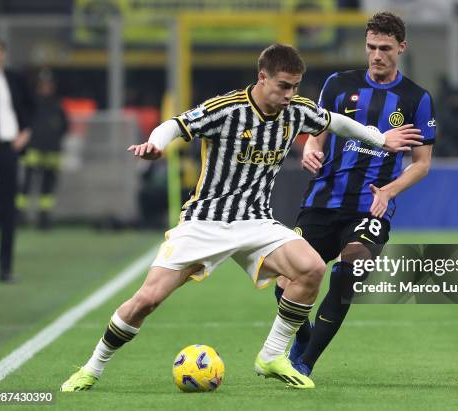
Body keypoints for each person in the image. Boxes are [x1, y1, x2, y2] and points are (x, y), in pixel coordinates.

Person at [60, 43, 424, 392]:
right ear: (262, 77)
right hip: (205, 222)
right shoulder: (227, 109)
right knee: (147, 300)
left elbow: (337, 123)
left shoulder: (296, 110)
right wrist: (157, 143)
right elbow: (175, 124)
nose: (289, 94)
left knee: (311, 268)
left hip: (255, 222)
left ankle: (271, 356)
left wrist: (380, 139)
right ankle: (91, 368)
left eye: (295, 87)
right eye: (283, 86)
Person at [274, 12, 436, 376]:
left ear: (401, 48)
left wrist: (390, 191)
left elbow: (422, 163)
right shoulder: (337, 84)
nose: (376, 55)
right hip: (322, 200)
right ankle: (303, 337)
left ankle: (304, 363)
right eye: (371, 47)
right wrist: (311, 150)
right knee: (286, 283)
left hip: (370, 208)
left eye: (385, 48)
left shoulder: (416, 98)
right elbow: (317, 133)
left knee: (348, 274)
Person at [0, 37, 33, 283]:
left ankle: (5, 267)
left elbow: (31, 108)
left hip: (7, 149)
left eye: (1, 53)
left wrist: (25, 134)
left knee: (7, 209)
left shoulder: (13, 79)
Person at [17, 72, 68, 229]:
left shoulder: (57, 105)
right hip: (33, 150)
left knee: (48, 185)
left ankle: (44, 217)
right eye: (42, 85)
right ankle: (19, 215)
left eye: (48, 85)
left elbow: (64, 126)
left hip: (52, 151)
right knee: (27, 183)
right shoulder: (32, 103)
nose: (45, 88)